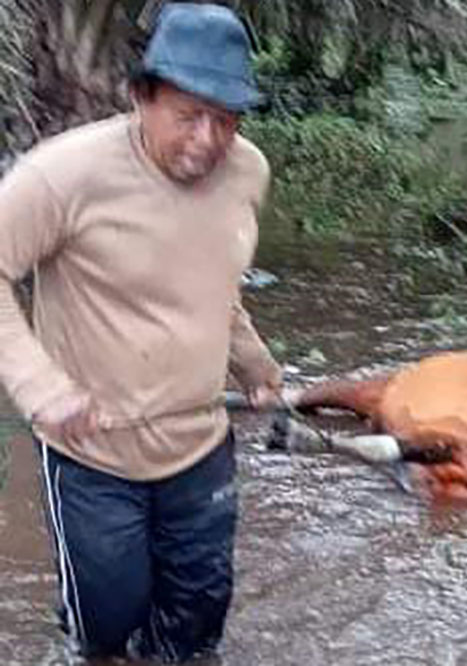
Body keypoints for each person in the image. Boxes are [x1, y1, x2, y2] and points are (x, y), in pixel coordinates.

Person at [0, 4, 281, 661]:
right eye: (188, 114)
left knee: (196, 624)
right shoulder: (60, 175)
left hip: (200, 445)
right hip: (92, 457)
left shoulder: (248, 173)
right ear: (140, 97)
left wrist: (256, 368)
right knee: (105, 625)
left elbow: (216, 288)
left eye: (227, 118)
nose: (209, 139)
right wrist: (41, 387)